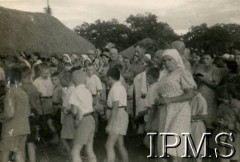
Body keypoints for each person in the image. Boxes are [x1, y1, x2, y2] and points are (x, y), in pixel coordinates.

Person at [155, 49, 196, 162]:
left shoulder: (182, 72)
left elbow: (190, 94)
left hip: (179, 112)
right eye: (164, 60)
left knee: (175, 145)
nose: (167, 63)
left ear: (176, 59)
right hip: (165, 111)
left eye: (169, 60)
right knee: (164, 146)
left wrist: (169, 99)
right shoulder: (164, 75)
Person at [0, 67, 31, 162]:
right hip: (24, 127)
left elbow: (9, 113)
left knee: (4, 153)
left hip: (11, 129)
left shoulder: (10, 92)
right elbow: (28, 113)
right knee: (19, 153)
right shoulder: (23, 92)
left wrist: (0, 117)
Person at [69, 70, 96, 162]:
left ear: (73, 81)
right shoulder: (87, 91)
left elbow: (74, 111)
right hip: (91, 119)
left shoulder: (75, 92)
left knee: (75, 151)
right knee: (89, 150)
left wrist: (69, 110)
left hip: (83, 121)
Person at [105, 67, 129, 162]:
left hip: (117, 116)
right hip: (121, 114)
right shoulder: (121, 87)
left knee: (108, 145)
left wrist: (110, 124)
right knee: (120, 144)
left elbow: (115, 107)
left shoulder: (115, 89)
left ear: (109, 78)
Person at [194, 53, 222, 131]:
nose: (205, 60)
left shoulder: (216, 70)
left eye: (207, 58)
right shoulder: (200, 68)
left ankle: (208, 135)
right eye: (203, 58)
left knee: (208, 117)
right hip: (200, 93)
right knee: (199, 115)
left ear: (212, 60)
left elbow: (216, 86)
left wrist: (203, 80)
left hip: (210, 96)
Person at [20, 65, 41, 162]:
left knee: (22, 142)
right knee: (31, 141)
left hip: (22, 115)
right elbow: (37, 102)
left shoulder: (19, 88)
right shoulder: (34, 88)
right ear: (30, 76)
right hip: (33, 114)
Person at [59, 71, 76, 159]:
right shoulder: (69, 89)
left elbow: (72, 106)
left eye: (60, 80)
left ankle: (71, 154)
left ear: (66, 80)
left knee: (66, 137)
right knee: (68, 136)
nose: (59, 81)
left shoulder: (72, 90)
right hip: (67, 115)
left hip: (69, 116)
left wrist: (63, 109)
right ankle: (72, 154)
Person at [190, 89, 208, 162]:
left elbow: (204, 116)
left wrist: (188, 117)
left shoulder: (200, 99)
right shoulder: (190, 98)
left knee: (198, 152)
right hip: (189, 125)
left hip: (197, 126)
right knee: (191, 152)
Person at [85, 63, 103, 133]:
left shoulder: (96, 78)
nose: (89, 71)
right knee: (87, 114)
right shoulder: (85, 77)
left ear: (94, 70)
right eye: (88, 70)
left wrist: (97, 100)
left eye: (91, 70)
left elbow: (99, 90)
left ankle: (95, 130)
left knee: (94, 114)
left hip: (94, 96)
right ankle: (89, 129)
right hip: (87, 97)